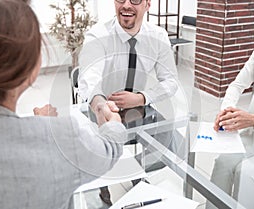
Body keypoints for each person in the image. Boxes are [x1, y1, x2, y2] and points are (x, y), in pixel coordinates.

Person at [0, 1, 128, 209]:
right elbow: (109, 150)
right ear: (31, 69)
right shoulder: (62, 139)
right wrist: (112, 123)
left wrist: (40, 127)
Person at [78, 0, 180, 205]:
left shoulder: (158, 37)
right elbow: (89, 78)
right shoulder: (98, 34)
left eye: (134, 0)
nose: (126, 5)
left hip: (138, 106)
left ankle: (138, 176)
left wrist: (142, 97)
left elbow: (171, 81)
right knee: (97, 148)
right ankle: (103, 185)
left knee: (168, 138)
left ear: (147, 4)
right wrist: (102, 106)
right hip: (102, 106)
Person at [207, 35, 254, 209]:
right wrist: (227, 111)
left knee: (246, 172)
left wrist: (253, 120)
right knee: (223, 163)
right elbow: (237, 85)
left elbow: (253, 120)